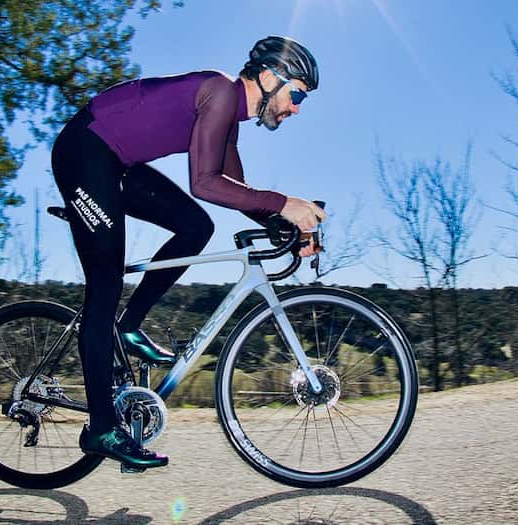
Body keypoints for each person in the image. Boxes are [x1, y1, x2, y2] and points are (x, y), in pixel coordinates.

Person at [51, 35, 326, 470]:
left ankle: (129, 326)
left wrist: (287, 224)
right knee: (103, 288)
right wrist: (284, 204)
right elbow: (205, 182)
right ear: (271, 78)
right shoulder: (218, 91)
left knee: (197, 225)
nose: (296, 108)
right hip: (83, 152)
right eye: (296, 95)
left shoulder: (228, 120)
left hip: (116, 164)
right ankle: (101, 428)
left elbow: (243, 193)